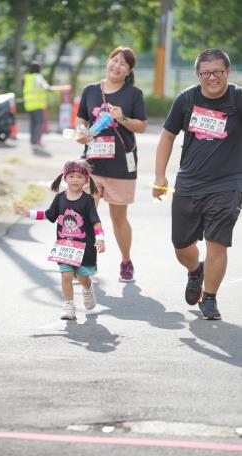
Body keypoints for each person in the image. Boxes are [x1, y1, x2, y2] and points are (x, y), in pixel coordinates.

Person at [153, 48, 242, 320]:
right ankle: (195, 272)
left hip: (228, 184)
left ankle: (211, 299)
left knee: (218, 242)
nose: (212, 78)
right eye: (206, 73)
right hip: (189, 183)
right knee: (181, 245)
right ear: (197, 74)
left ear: (227, 72)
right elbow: (167, 137)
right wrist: (160, 176)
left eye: (218, 72)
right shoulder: (187, 99)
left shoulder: (238, 99)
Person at [76, 46, 148, 282]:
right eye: (114, 60)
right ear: (107, 62)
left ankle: (126, 261)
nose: (117, 66)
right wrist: (81, 134)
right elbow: (81, 121)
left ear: (129, 71)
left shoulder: (133, 94)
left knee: (118, 218)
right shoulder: (90, 91)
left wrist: (121, 118)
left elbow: (141, 126)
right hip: (92, 164)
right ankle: (84, 261)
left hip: (121, 165)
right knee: (86, 213)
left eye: (123, 63)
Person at [15, 159, 105, 320]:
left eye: (79, 176)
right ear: (65, 178)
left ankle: (87, 287)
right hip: (65, 246)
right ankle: (68, 305)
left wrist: (100, 239)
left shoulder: (88, 201)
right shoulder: (60, 198)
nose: (75, 179)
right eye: (71, 176)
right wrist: (30, 213)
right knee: (66, 275)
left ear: (86, 179)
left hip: (84, 248)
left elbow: (95, 222)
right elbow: (49, 214)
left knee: (82, 277)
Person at [23, 61, 51, 156]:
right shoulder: (38, 77)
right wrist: (47, 86)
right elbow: (44, 85)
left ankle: (32, 142)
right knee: (39, 123)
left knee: (33, 124)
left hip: (29, 105)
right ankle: (36, 142)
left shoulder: (28, 77)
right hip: (37, 104)